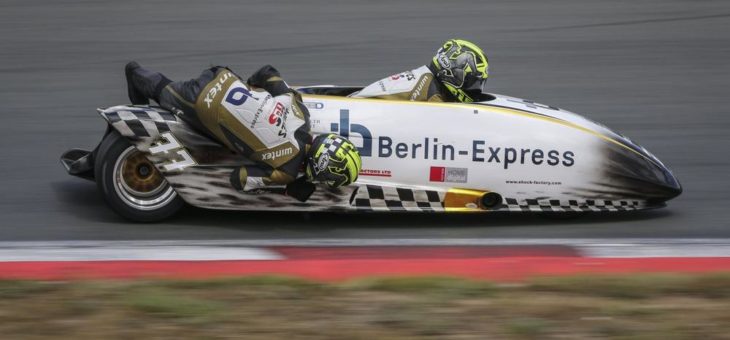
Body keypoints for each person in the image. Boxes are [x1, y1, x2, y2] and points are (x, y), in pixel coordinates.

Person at [124, 62, 361, 201]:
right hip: (204, 104)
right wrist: (286, 185)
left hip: (224, 76)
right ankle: (135, 87)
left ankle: (140, 110)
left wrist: (251, 96)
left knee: (171, 91)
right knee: (162, 92)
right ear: (320, 170)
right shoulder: (287, 171)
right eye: (330, 180)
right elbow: (238, 179)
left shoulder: (301, 112)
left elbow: (267, 72)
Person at [350, 39, 489, 103]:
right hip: (361, 112)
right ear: (452, 72)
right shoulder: (433, 95)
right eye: (471, 82)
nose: (475, 90)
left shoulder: (427, 77)